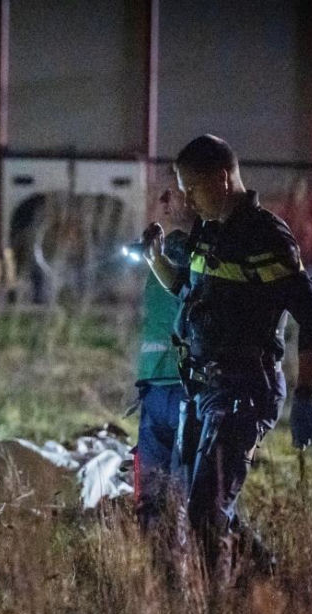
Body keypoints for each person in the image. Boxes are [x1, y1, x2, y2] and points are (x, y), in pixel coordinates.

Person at [141, 135, 312, 575]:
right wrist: (155, 259)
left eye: (194, 188)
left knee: (206, 509)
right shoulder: (210, 230)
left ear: (223, 179)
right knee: (205, 504)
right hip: (204, 388)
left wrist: (306, 396)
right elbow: (189, 289)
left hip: (245, 388)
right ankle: (268, 580)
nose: (187, 198)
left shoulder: (267, 236)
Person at [134, 187, 195, 531]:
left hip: (188, 388)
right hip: (156, 386)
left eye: (174, 192)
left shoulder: (204, 251)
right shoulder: (164, 249)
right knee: (154, 498)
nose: (163, 200)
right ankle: (158, 574)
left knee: (185, 498)